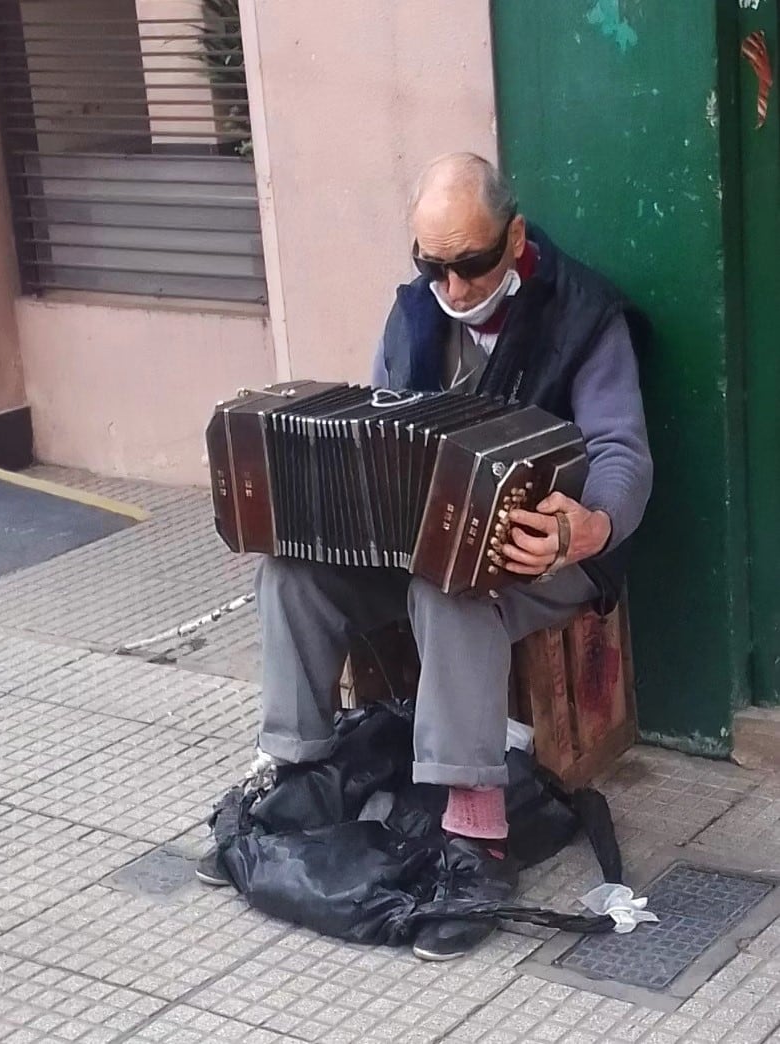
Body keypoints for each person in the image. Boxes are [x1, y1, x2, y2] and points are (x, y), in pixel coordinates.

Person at [198, 153, 652, 962]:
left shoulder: (583, 313)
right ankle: (300, 775)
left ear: (513, 237)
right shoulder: (413, 311)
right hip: (408, 548)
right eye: (432, 265)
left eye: (472, 263)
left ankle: (473, 832)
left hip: (542, 556)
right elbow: (374, 426)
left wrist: (588, 527)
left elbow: (622, 451)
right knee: (290, 572)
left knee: (453, 590)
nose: (454, 286)